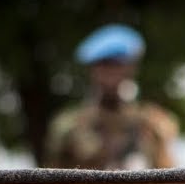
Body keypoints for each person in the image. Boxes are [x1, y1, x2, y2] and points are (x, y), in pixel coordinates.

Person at [43, 24, 178, 170]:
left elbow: (166, 171)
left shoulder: (152, 122)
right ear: (92, 71)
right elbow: (53, 175)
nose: (110, 75)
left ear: (130, 70)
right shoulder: (68, 124)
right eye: (104, 66)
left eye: (117, 66)